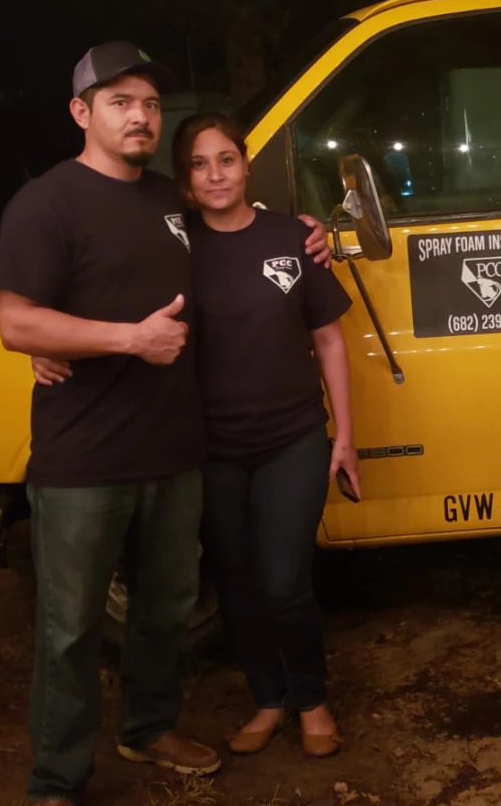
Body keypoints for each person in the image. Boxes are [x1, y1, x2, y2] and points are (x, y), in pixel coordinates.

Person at [0, 42, 221, 805]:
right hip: (84, 459)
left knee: (164, 611)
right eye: (120, 101)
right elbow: (17, 324)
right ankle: (58, 778)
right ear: (82, 113)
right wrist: (126, 339)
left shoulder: (164, 198)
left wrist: (310, 230)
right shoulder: (47, 203)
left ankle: (147, 728)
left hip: (172, 451)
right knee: (69, 630)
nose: (141, 115)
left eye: (150, 103)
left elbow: (239, 225)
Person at [174, 111, 360, 758]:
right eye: (199, 164)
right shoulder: (176, 248)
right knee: (238, 579)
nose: (215, 174)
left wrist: (345, 437)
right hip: (212, 446)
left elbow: (330, 339)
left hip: (293, 437)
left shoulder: (293, 237)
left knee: (283, 580)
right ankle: (266, 699)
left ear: (246, 163)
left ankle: (311, 699)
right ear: (185, 179)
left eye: (225, 159)